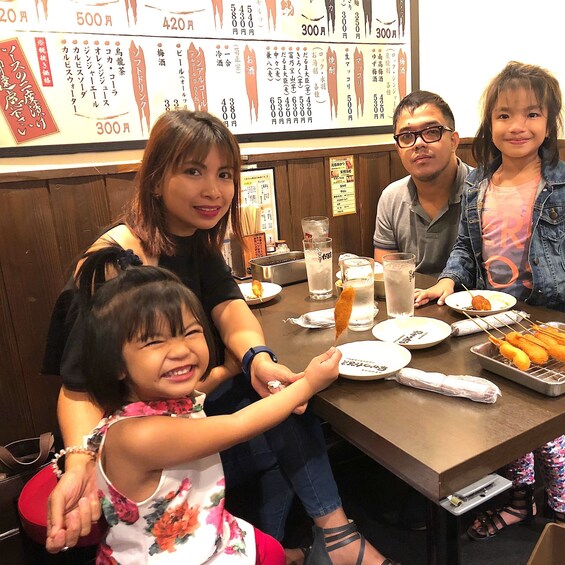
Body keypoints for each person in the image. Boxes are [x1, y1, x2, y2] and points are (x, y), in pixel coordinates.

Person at [43, 110, 394, 565]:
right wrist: (78, 462)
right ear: (155, 178)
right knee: (279, 418)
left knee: (278, 396)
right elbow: (77, 386)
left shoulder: (195, 237)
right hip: (139, 447)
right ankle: (321, 542)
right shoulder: (114, 263)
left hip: (189, 405)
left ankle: (281, 543)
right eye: (193, 171)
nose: (214, 190)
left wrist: (258, 361)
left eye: (224, 174)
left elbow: (230, 305)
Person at [416, 61, 565, 538]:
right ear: (491, 125)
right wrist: (448, 280)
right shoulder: (478, 184)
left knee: (546, 428)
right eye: (504, 115)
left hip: (548, 322)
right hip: (492, 324)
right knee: (506, 419)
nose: (517, 126)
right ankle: (521, 499)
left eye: (531, 114)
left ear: (549, 123)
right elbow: (465, 249)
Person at [70, 248, 341, 563]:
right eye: (155, 342)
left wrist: (225, 371)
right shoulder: (138, 437)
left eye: (190, 332)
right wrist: (310, 383)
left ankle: (291, 554)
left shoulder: (151, 402)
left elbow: (193, 395)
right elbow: (238, 425)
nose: (181, 350)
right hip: (175, 556)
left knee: (267, 548)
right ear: (116, 363)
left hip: (204, 530)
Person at [373, 90, 472, 278]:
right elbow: (387, 276)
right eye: (407, 136)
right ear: (398, 149)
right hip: (408, 302)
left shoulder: (483, 192)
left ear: (453, 141)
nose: (418, 143)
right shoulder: (391, 198)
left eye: (431, 132)